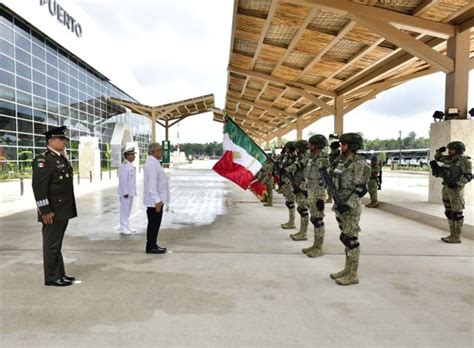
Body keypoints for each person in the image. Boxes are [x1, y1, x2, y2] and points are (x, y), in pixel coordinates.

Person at [32, 126, 77, 287]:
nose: (64, 142)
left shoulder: (59, 157)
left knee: (56, 244)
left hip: (62, 210)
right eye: (61, 139)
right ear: (51, 141)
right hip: (52, 211)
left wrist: (65, 157)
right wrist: (45, 211)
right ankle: (52, 277)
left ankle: (60, 274)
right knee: (51, 245)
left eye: (64, 139)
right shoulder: (43, 160)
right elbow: (39, 188)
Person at [329, 133, 370, 286]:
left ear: (352, 146)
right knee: (344, 238)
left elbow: (360, 189)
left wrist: (347, 204)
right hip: (340, 204)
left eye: (344, 144)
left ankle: (352, 274)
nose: (341, 146)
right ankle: (347, 269)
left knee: (351, 240)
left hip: (349, 207)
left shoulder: (359, 164)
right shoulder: (342, 162)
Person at [432, 142, 472, 243]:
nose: (449, 151)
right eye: (449, 149)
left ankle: (457, 237)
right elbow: (439, 158)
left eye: (451, 149)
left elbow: (468, 175)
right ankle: (452, 234)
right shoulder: (450, 159)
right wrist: (438, 152)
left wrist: (457, 184)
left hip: (456, 191)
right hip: (446, 189)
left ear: (458, 150)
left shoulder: (465, 161)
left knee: (457, 214)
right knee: (449, 212)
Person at [302, 134, 330, 257]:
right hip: (310, 189)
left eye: (311, 144)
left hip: (318, 192)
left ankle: (319, 248)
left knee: (318, 220)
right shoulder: (312, 158)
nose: (309, 146)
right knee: (314, 218)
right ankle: (315, 245)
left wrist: (321, 196)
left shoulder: (323, 160)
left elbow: (326, 180)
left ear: (317, 145)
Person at [143, 143, 170, 254]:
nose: (161, 152)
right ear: (153, 151)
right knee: (153, 224)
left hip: (156, 201)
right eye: (159, 150)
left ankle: (153, 244)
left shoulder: (154, 162)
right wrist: (157, 201)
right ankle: (150, 246)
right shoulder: (151, 164)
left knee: (155, 224)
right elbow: (152, 185)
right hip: (154, 202)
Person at [285, 140, 310, 241]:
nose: (297, 150)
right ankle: (301, 231)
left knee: (303, 209)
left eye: (298, 148)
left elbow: (299, 166)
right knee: (300, 208)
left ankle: (303, 233)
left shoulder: (307, 158)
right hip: (297, 184)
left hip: (304, 186)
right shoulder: (299, 157)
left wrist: (287, 169)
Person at [118, 147, 137, 234]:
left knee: (128, 211)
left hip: (131, 192)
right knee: (124, 210)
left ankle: (126, 226)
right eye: (132, 155)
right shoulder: (124, 166)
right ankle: (123, 227)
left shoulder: (130, 165)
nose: (134, 156)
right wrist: (125, 192)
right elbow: (123, 180)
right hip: (126, 193)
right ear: (127, 156)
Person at [280, 141, 297, 229]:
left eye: (287, 148)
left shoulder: (295, 158)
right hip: (285, 180)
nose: (285, 149)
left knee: (290, 202)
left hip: (290, 181)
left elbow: (294, 169)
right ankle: (291, 220)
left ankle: (292, 222)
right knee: (288, 202)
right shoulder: (286, 157)